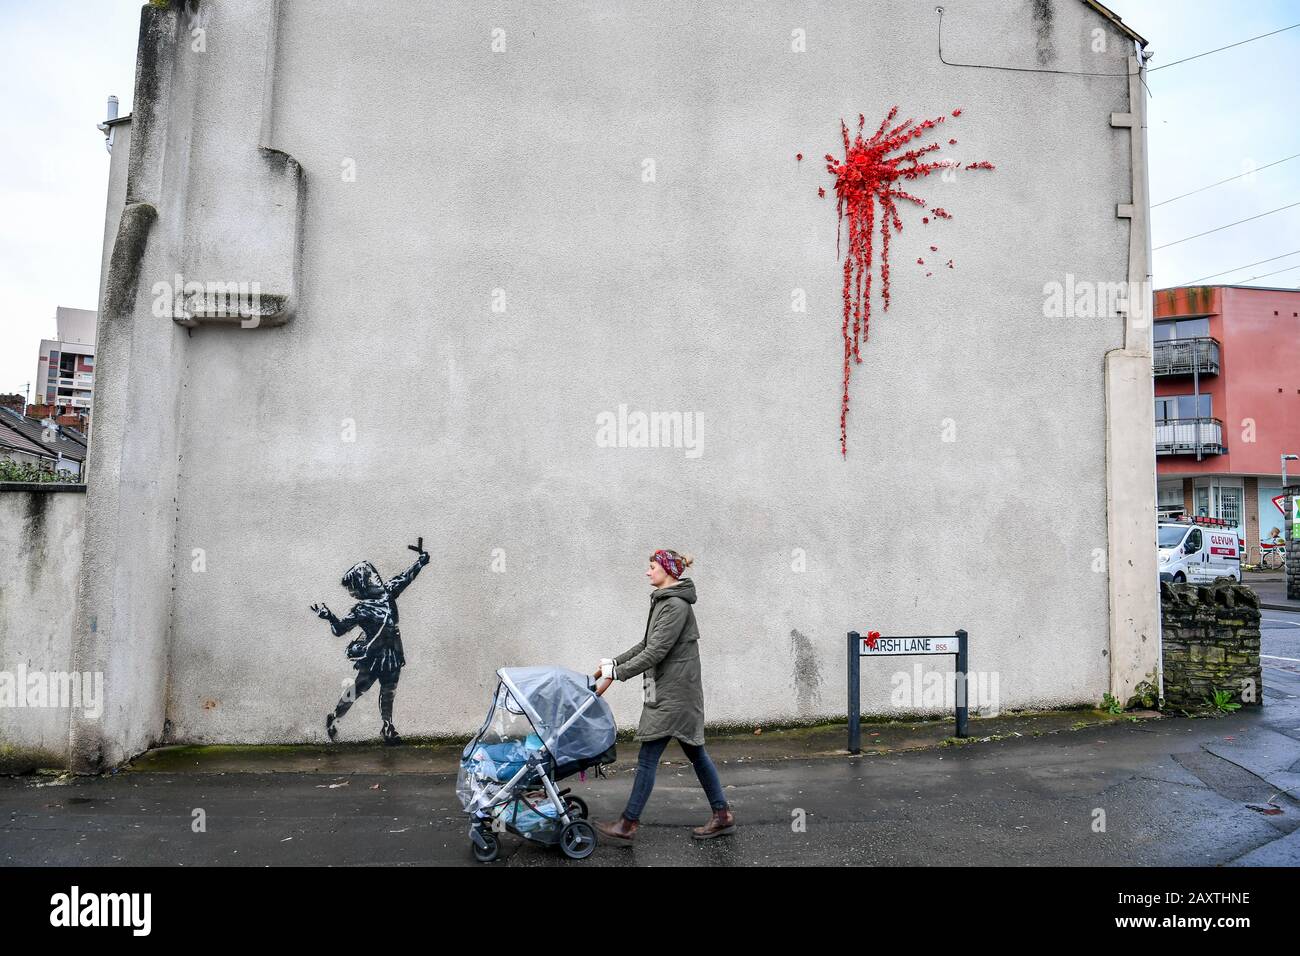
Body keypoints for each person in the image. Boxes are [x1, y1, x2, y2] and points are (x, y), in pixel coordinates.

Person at [592, 549, 735, 844]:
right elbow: (647, 643)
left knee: (648, 757)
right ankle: (721, 815)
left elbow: (657, 651)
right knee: (695, 752)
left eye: (652, 566)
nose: (647, 572)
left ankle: (628, 823)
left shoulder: (674, 605)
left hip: (675, 692)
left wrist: (617, 675)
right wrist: (613, 663)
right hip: (668, 689)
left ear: (667, 571)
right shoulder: (663, 602)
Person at [311, 540, 429, 745]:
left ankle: (387, 727)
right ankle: (335, 716)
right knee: (359, 688)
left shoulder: (389, 592)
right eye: (371, 576)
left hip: (392, 652)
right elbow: (340, 629)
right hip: (374, 656)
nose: (376, 577)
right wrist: (329, 616)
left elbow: (406, 577)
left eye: (374, 573)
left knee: (389, 691)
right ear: (364, 583)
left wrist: (420, 561)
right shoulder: (361, 609)